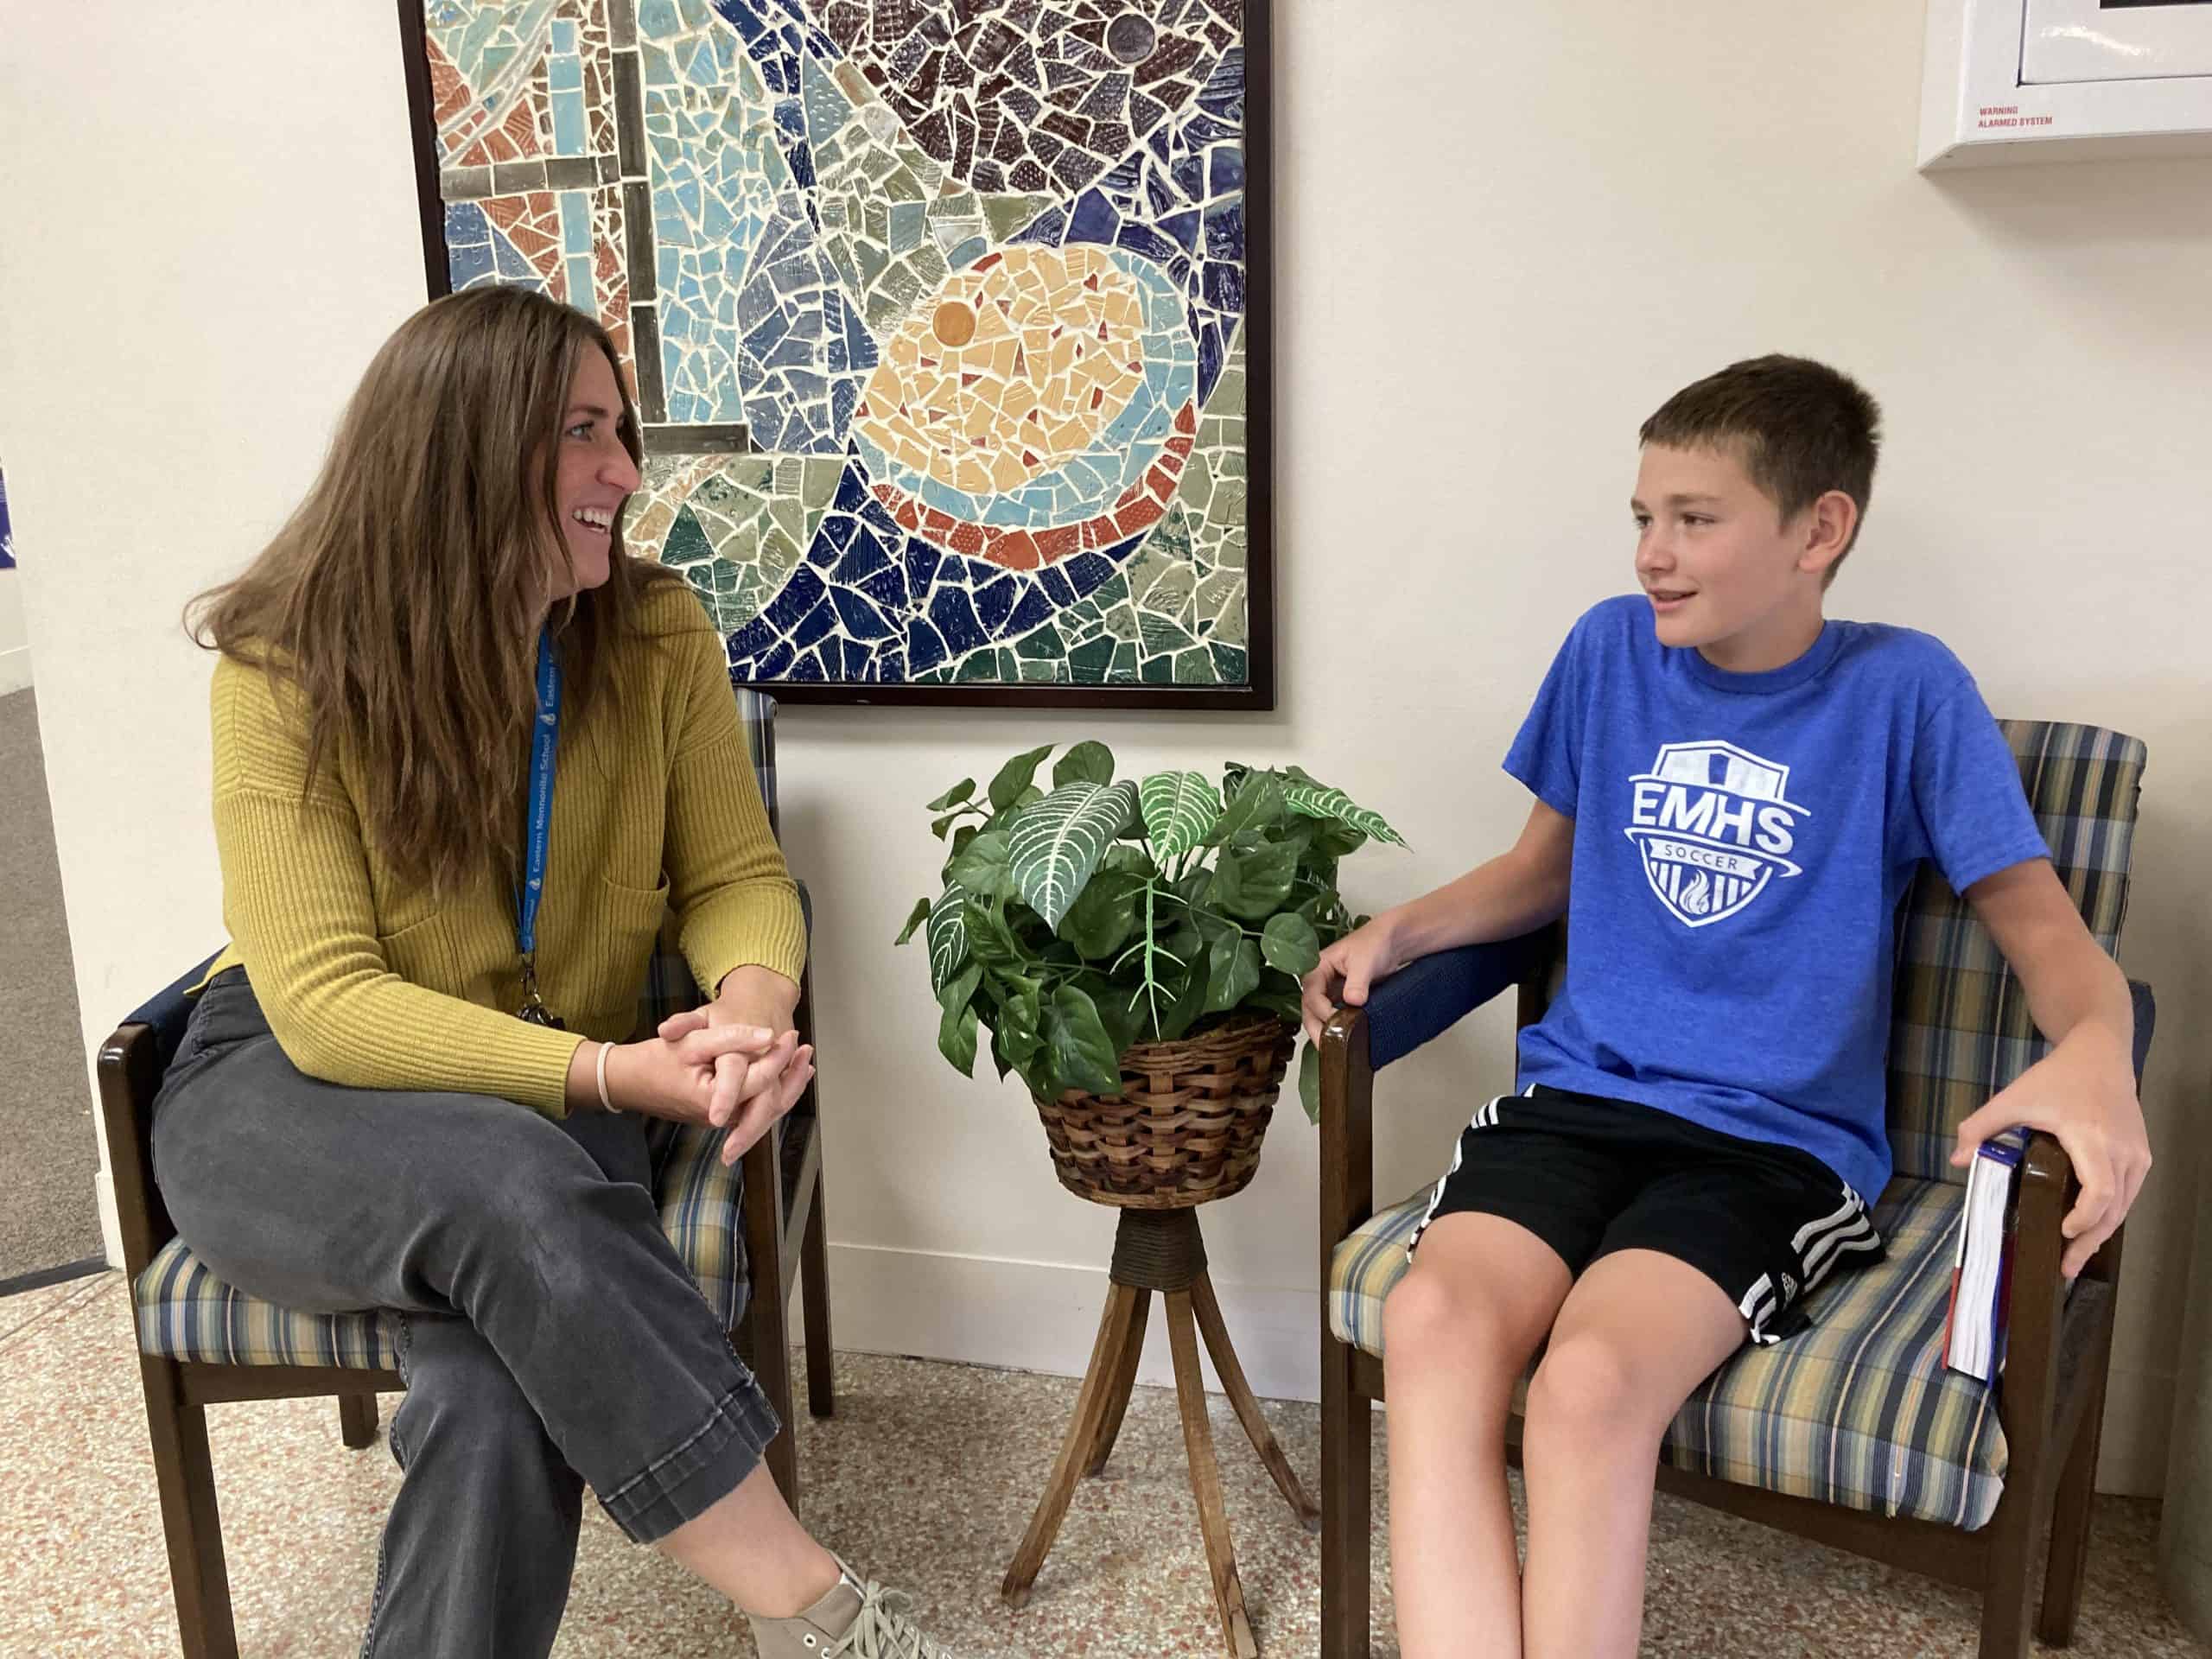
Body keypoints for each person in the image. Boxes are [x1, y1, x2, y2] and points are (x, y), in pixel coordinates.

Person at [1300, 355, 2153, 1659]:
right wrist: (1398, 930)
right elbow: (1541, 872)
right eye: (1643, 518)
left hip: (1774, 1143)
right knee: (1431, 1321)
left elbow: (2050, 939)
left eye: (1695, 519)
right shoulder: (1605, 653)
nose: (1654, 553)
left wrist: (2100, 1052)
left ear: (1821, 529)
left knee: (1589, 1387)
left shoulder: (1906, 692)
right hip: (1581, 1098)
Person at [155, 285, 959, 1658]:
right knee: (525, 1178)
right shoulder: (283, 660)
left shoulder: (652, 636)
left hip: (546, 1101)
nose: (624, 474)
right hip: (287, 1097)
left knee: (489, 1388)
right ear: (467, 447)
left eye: (621, 432)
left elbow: (736, 877)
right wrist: (606, 1071)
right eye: (584, 432)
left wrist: (751, 1014)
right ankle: (817, 1610)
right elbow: (328, 1003)